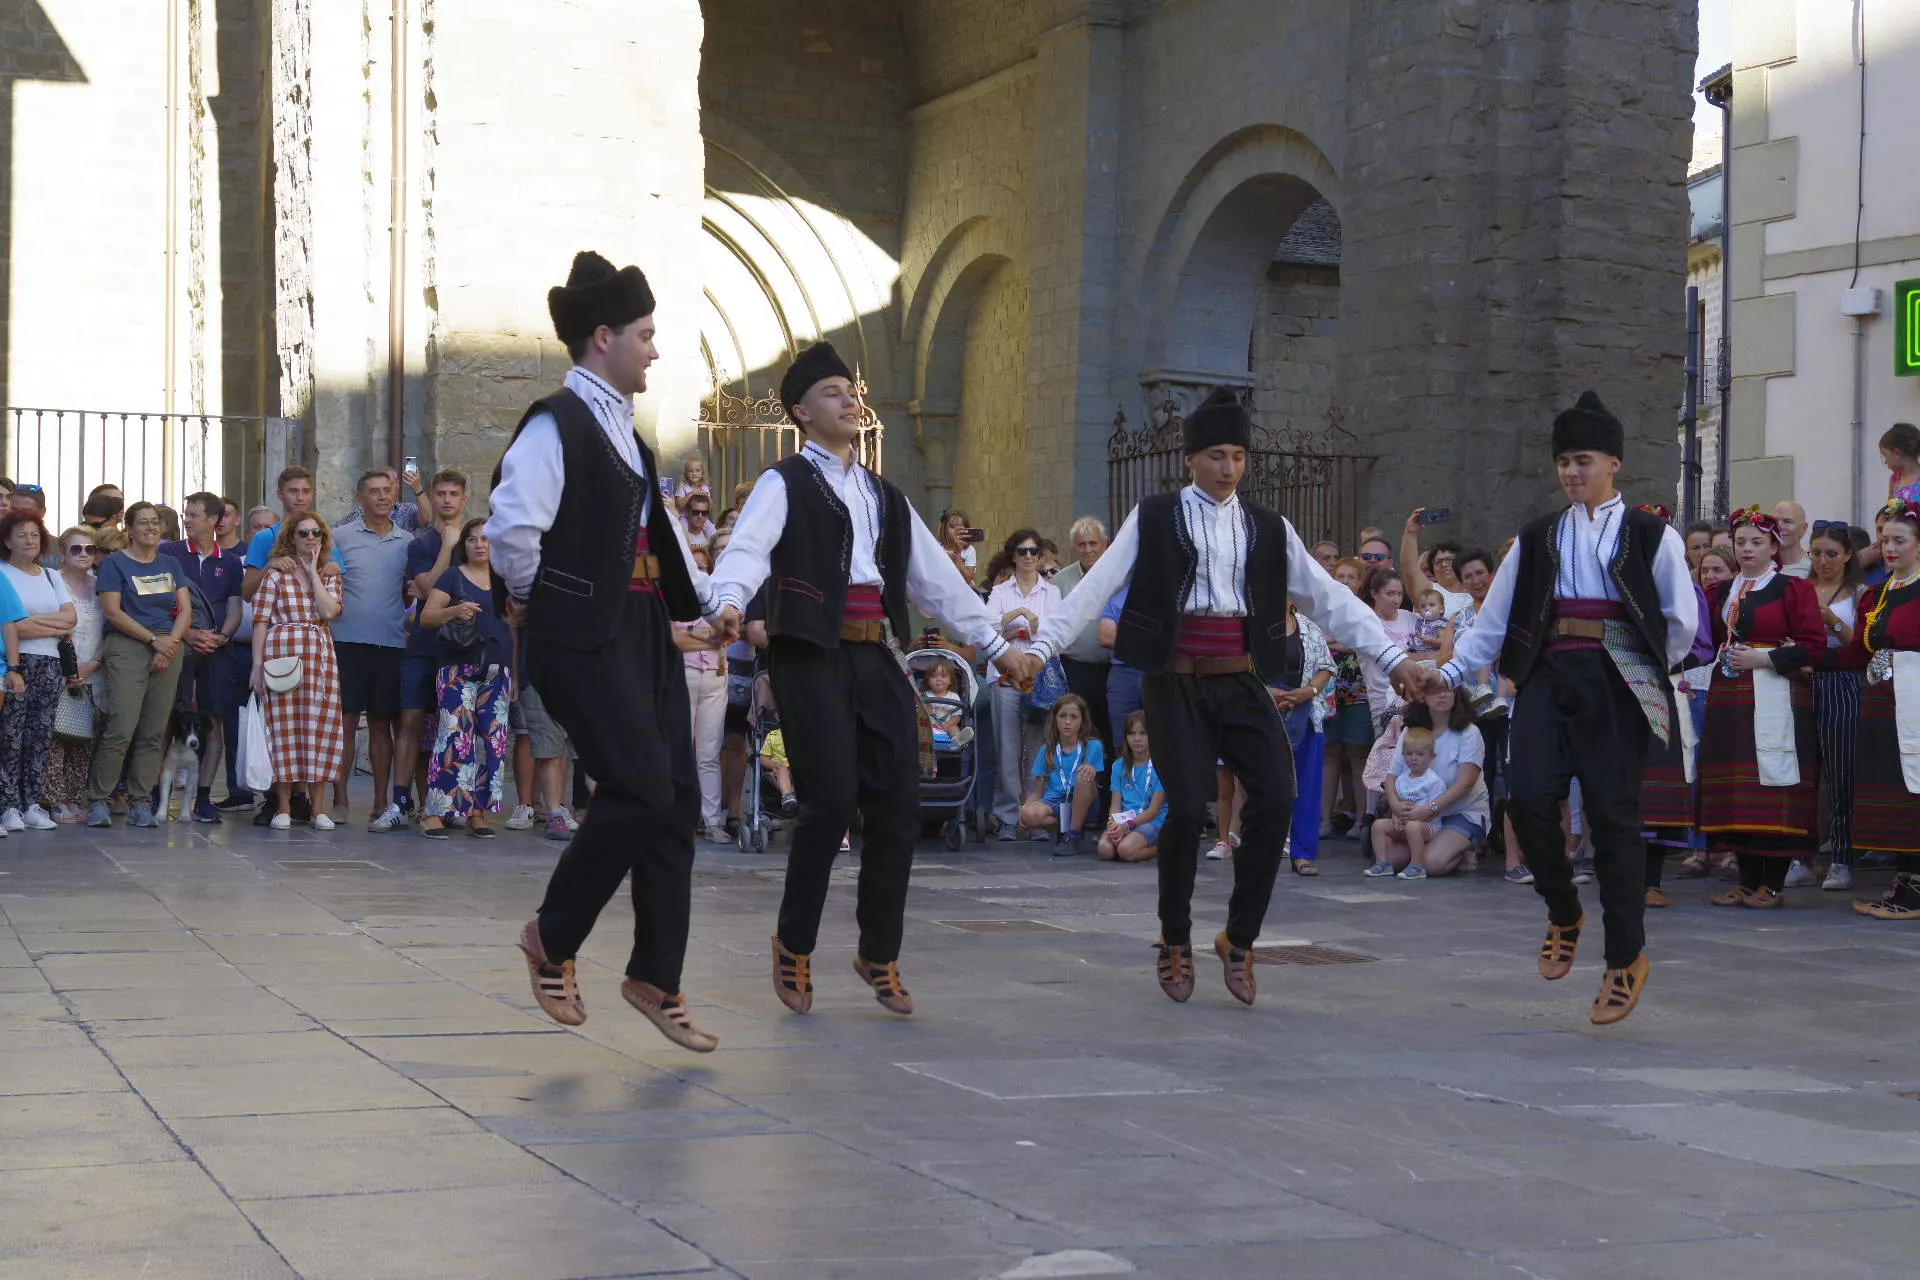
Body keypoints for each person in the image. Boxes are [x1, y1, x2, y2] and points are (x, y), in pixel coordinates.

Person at [1014, 388, 1434, 1007]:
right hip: (1174, 680)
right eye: (1216, 454)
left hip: (1240, 678)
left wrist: (1392, 655)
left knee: (1279, 795)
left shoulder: (1268, 526)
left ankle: (1239, 938)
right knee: (1186, 809)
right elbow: (1094, 588)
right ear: (1191, 458)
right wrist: (1041, 649)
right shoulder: (1154, 516)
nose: (1229, 467)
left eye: (1238, 455)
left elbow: (1329, 598)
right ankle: (1174, 937)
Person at [707, 340, 1024, 1019]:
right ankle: (794, 942)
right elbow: (747, 551)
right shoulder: (783, 483)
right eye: (831, 393)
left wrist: (996, 645)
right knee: (829, 800)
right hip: (808, 653)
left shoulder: (884, 493)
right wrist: (729, 603)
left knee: (898, 800)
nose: (849, 400)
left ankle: (878, 951)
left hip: (872, 651)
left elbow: (934, 581)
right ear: (800, 410)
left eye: (852, 391)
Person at [487, 251, 720, 1050]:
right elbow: (513, 531)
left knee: (676, 801)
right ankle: (552, 937)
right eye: (646, 335)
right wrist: (546, 606)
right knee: (640, 787)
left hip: (643, 634)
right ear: (602, 337)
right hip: (587, 636)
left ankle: (657, 974)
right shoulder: (559, 421)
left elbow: (653, 536)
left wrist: (701, 611)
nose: (656, 350)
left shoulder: (626, 427)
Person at [1437, 392, 1697, 1025]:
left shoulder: (1649, 533)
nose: (1572, 473)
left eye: (1583, 460)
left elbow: (1680, 619)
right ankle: (1563, 908)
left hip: (1616, 677)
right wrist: (1447, 671)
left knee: (1613, 818)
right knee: (1526, 796)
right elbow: (1492, 621)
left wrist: (1642, 669)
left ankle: (1624, 958)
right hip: (1548, 675)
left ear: (1613, 462)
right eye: (1563, 463)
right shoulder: (1536, 537)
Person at [1697, 507, 1825, 908]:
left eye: (1757, 542)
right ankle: (1747, 878)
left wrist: (1766, 659)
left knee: (1773, 783)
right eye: (1741, 543)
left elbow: (1814, 646)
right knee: (1735, 789)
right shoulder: (1720, 592)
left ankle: (1773, 883)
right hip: (1729, 700)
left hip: (1776, 698)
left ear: (1774, 546)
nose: (1748, 549)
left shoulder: (1793, 590)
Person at [87, 503, 194, 829]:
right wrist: (153, 641)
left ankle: (141, 802)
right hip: (129, 645)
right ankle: (99, 801)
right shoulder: (116, 564)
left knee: (153, 731)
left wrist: (170, 644)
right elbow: (113, 612)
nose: (150, 528)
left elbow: (185, 609)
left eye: (155, 522)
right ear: (129, 529)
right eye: (143, 523)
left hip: (168, 646)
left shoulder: (170, 563)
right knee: (122, 726)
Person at [1842, 499, 1920, 918]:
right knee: (1895, 790)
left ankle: (1915, 888)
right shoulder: (1877, 592)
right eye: (1885, 539)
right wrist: (1797, 657)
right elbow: (1858, 651)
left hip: (1917, 700)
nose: (1889, 548)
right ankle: (1907, 881)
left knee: (1916, 786)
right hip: (1882, 702)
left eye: (1900, 540)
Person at [416, 519, 512, 839]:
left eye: (485, 539)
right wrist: (453, 612)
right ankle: (435, 812)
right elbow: (427, 617)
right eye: (471, 539)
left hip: (498, 671)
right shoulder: (452, 576)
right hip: (457, 669)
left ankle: (477, 813)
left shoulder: (505, 580)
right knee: (454, 738)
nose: (479, 545)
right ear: (464, 545)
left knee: (493, 745)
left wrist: (518, 671)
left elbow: (518, 627)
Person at [248, 514, 345, 829]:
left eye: (316, 532)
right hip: (282, 654)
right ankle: (284, 807)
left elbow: (330, 612)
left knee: (320, 727)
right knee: (282, 729)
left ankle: (318, 808)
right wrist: (257, 666)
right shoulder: (276, 575)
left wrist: (313, 574)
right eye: (303, 533)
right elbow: (260, 620)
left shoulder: (330, 574)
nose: (310, 538)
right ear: (292, 537)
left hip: (319, 657)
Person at [331, 469, 413, 827]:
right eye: (373, 492)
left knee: (382, 724)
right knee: (344, 724)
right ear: (359, 498)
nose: (381, 497)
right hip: (345, 642)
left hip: (391, 642)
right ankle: (339, 800)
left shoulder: (408, 541)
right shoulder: (338, 537)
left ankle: (382, 801)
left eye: (387, 491)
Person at [159, 491, 245, 822]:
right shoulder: (170, 554)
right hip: (179, 646)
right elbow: (162, 601)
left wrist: (222, 636)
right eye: (186, 514)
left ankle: (205, 797)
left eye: (194, 514)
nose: (187, 520)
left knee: (215, 721)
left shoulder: (230, 562)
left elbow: (236, 605)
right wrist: (189, 634)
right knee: (168, 716)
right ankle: (157, 795)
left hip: (218, 651)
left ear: (214, 520)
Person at [393, 470, 470, 829]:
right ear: (432, 498)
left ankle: (450, 802)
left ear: (464, 499)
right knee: (410, 720)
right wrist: (448, 548)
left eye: (454, 493)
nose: (447, 500)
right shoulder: (420, 544)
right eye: (440, 493)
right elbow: (426, 590)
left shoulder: (479, 540)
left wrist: (461, 543)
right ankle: (400, 801)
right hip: (424, 645)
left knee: (455, 727)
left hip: (465, 649)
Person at [1796, 521, 1864, 892]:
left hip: (1842, 682)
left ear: (1848, 555)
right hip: (1803, 681)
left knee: (1840, 773)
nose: (1823, 561)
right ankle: (1799, 857)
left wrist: (1832, 620)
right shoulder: (1800, 589)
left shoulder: (1859, 593)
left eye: (1831, 554)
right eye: (1817, 553)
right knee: (1802, 773)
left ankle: (1840, 858)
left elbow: (1862, 646)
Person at [982, 528, 1062, 838]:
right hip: (1004, 677)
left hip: (1039, 679)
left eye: (1033, 551)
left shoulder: (1052, 592)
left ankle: (1034, 814)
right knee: (1006, 748)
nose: (1028, 556)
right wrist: (1018, 615)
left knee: (1038, 749)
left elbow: (1057, 632)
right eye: (1022, 551)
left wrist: (1031, 627)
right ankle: (1007, 817)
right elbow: (985, 625)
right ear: (1012, 556)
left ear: (1041, 556)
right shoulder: (1001, 592)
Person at [1364, 686, 1491, 879]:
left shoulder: (1469, 733)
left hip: (1460, 813)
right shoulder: (1410, 731)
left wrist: (1427, 810)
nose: (1443, 694)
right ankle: (1426, 847)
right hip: (1417, 815)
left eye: (1449, 690)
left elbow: (1465, 785)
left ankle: (1464, 850)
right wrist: (1396, 806)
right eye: (1435, 690)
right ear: (1421, 697)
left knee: (1431, 864)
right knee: (1390, 859)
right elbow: (1391, 777)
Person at [0, 511, 74, 830]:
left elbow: (70, 619)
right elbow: (12, 626)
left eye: (34, 534)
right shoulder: (3, 574)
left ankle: (31, 802)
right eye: (21, 535)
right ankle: (8, 804)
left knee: (40, 735)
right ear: (7, 541)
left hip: (50, 662)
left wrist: (32, 624)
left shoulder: (50, 575)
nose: (29, 541)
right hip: (17, 662)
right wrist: (49, 626)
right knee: (11, 735)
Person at [45, 527, 104, 822]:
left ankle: (73, 797)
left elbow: (111, 630)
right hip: (58, 671)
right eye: (76, 549)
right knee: (57, 738)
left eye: (90, 549)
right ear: (62, 553)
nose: (84, 554)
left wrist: (94, 663)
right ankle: (53, 800)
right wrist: (69, 669)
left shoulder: (101, 584)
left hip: (94, 671)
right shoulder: (52, 581)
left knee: (84, 739)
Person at [1321, 557, 1373, 839]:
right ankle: (1324, 819)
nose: (1344, 581)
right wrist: (1344, 643)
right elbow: (1316, 639)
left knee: (1358, 755)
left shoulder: (1364, 611)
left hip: (1359, 693)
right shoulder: (1322, 610)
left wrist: (1338, 643)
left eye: (1351, 577)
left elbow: (1365, 644)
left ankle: (1361, 821)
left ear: (1360, 582)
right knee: (1329, 755)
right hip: (1327, 692)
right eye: (1339, 576)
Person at [1051, 516, 1114, 751]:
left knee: (1111, 733)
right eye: (1082, 544)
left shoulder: (1119, 576)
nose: (1088, 549)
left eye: (1093, 543)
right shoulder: (1061, 581)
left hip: (1113, 669)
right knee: (1077, 733)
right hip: (1075, 669)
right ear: (1073, 548)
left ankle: (1109, 787)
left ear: (1105, 544)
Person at [1017, 693, 1104, 853]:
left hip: (1084, 800)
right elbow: (1038, 792)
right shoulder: (1047, 750)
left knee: (1083, 776)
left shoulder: (1093, 746)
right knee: (1027, 813)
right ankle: (1066, 828)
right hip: (1056, 802)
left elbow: (1093, 777)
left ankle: (1073, 835)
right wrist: (1025, 810)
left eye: (1074, 717)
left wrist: (1090, 768)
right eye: (1062, 716)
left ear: (1082, 721)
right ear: (1055, 719)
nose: (1067, 722)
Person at [673, 605, 728, 844]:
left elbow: (735, 629)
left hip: (717, 673)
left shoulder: (724, 589)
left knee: (709, 752)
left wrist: (694, 632)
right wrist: (710, 635)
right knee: (678, 748)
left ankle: (713, 821)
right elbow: (674, 636)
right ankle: (675, 817)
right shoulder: (678, 590)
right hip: (684, 670)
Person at [1099, 710, 1164, 862]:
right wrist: (1113, 823)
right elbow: (1115, 805)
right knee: (1104, 850)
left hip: (1152, 821)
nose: (1137, 739)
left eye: (1143, 733)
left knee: (1125, 850)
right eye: (1132, 734)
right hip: (1126, 819)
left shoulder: (1161, 766)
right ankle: (1128, 840)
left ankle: (1161, 848)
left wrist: (1128, 826)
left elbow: (1154, 811)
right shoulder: (1118, 766)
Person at [1405, 588, 1452, 663]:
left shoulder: (1439, 624)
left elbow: (1445, 641)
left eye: (1431, 605)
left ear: (1441, 609)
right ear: (1419, 611)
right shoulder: (1420, 622)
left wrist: (1433, 641)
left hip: (1432, 655)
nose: (1427, 608)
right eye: (1423, 606)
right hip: (1417, 652)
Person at [1883, 423, 1920, 507]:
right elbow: (1890, 510)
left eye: (1885, 456)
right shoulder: (1894, 479)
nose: (1885, 461)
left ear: (1897, 453)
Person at [938, 509, 977, 579]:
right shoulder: (937, 547)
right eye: (952, 527)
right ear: (944, 528)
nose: (956, 530)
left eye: (960, 527)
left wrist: (957, 554)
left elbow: (968, 579)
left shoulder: (969, 550)